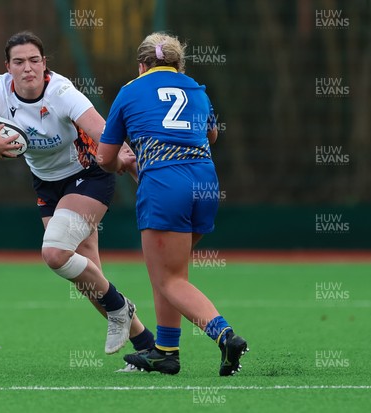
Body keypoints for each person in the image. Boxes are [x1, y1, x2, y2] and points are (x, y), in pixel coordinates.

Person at [0, 31, 155, 357]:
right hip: (47, 185)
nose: (28, 68)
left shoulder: (61, 91)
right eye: (19, 62)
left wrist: (124, 157)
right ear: (7, 67)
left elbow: (102, 131)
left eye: (34, 60)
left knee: (54, 253)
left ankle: (121, 308)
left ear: (44, 63)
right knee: (86, 274)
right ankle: (146, 345)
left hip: (89, 175)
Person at [98, 32, 248, 376]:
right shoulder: (196, 88)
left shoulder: (130, 91)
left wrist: (124, 162)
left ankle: (225, 336)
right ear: (179, 64)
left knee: (169, 279)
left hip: (166, 184)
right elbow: (212, 135)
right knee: (168, 273)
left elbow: (105, 156)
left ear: (141, 65)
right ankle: (165, 352)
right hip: (206, 183)